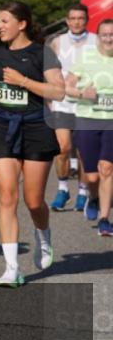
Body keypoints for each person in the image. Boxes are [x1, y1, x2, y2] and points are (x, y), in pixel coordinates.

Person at [0, 1, 64, 287]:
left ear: (22, 23)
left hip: (37, 127)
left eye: (4, 21)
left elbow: (59, 92)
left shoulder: (43, 53)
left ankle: (43, 234)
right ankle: (11, 268)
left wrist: (24, 81)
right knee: (7, 196)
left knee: (34, 201)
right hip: (3, 127)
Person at [65, 17, 113, 233]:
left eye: (112, 35)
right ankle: (93, 197)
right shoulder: (86, 57)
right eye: (105, 35)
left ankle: (104, 218)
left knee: (107, 169)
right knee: (92, 176)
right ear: (98, 37)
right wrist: (83, 93)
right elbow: (67, 86)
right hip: (87, 119)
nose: (109, 39)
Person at [48, 3, 97, 211]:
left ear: (86, 20)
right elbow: (50, 71)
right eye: (73, 18)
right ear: (67, 21)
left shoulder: (96, 41)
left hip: (87, 104)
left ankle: (83, 192)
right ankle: (62, 189)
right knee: (62, 148)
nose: (76, 22)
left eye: (81, 18)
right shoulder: (57, 42)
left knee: (83, 151)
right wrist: (49, 98)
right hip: (62, 103)